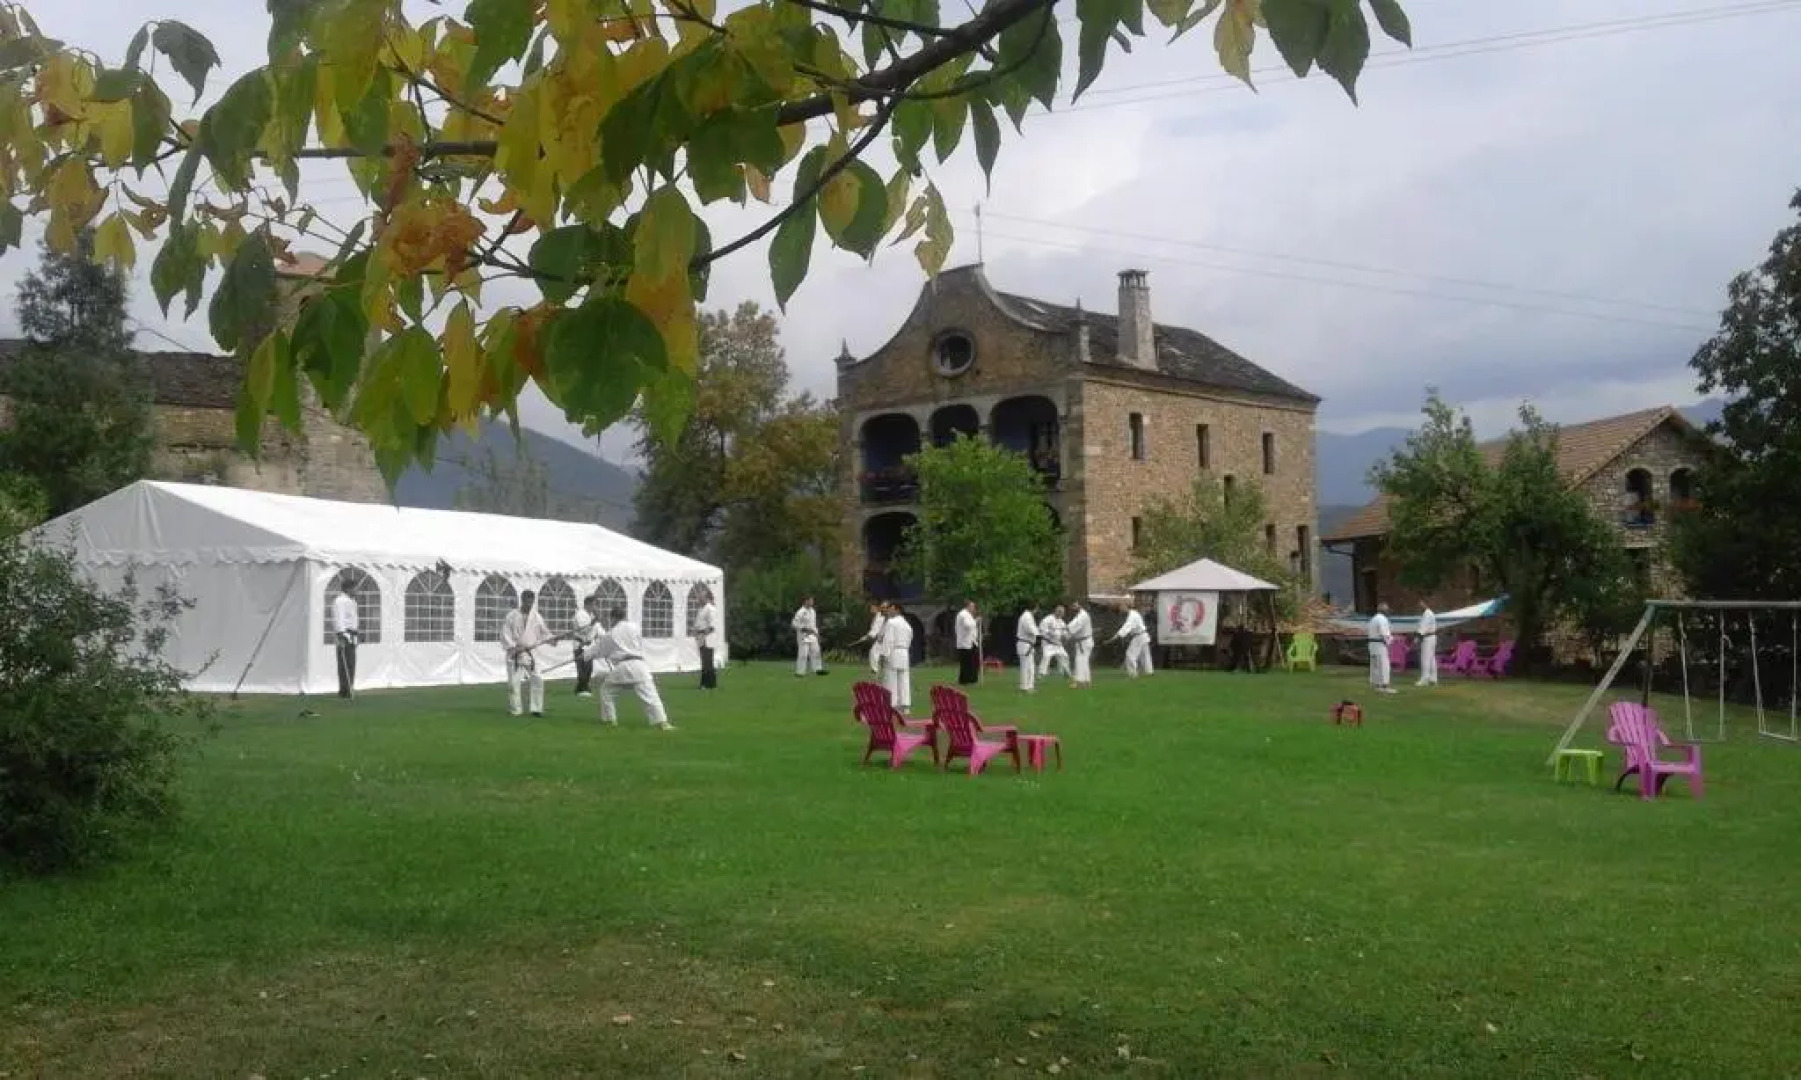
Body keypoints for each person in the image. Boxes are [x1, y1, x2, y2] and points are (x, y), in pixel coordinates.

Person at [599, 605, 674, 729]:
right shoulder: (635, 627)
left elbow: (600, 648)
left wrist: (585, 655)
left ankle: (610, 720)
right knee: (651, 696)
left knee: (606, 691)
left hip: (623, 666)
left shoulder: (612, 633)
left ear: (613, 618)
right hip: (640, 665)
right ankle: (663, 723)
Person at [502, 589, 552, 717]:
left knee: (538, 679)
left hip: (531, 653)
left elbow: (544, 632)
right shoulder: (511, 616)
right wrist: (513, 647)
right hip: (515, 653)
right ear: (522, 600)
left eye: (531, 601)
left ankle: (536, 709)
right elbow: (505, 634)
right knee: (514, 683)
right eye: (527, 601)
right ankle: (516, 709)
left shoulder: (536, 616)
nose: (529, 604)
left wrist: (552, 639)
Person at [880, 602, 914, 714]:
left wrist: (884, 654)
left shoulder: (891, 622)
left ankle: (892, 704)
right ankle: (905, 705)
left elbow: (888, 640)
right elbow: (909, 639)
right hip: (904, 652)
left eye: (891, 609)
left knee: (891, 678)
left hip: (894, 651)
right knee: (904, 678)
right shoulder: (907, 625)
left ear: (898, 610)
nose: (889, 611)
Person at [331, 585, 359, 699]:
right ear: (348, 588)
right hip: (344, 633)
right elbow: (339, 618)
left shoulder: (352, 601)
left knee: (351, 662)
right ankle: (345, 689)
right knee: (345, 662)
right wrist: (341, 634)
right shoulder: (340, 601)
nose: (356, 590)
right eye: (355, 588)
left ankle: (348, 687)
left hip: (352, 633)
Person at [1112, 602, 1154, 678]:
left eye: (1122, 607)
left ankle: (1132, 674)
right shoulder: (1133, 614)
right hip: (1142, 636)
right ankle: (1149, 672)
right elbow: (1128, 626)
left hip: (1139, 636)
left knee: (1130, 655)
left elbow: (1127, 626)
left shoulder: (1133, 615)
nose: (1120, 609)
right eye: (1120, 607)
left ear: (1126, 606)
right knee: (1145, 656)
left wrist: (1118, 635)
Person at [571, 593, 601, 698]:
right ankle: (583, 688)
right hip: (580, 644)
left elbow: (597, 630)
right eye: (594, 604)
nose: (595, 607)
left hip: (589, 645)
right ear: (588, 604)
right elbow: (583, 630)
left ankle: (581, 687)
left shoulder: (592, 616)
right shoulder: (580, 614)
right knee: (582, 667)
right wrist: (593, 623)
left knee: (589, 668)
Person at [791, 596, 826, 676]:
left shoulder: (813, 611)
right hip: (803, 635)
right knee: (803, 654)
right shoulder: (800, 612)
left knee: (816, 652)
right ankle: (800, 672)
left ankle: (818, 669)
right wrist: (803, 629)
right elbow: (794, 624)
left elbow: (813, 624)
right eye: (810, 601)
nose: (812, 602)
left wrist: (817, 634)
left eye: (812, 601)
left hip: (813, 635)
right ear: (805, 601)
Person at [692, 591, 719, 690]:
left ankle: (706, 683)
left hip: (707, 637)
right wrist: (695, 631)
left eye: (701, 597)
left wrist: (702, 633)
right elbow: (698, 623)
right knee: (705, 661)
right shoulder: (701, 609)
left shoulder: (710, 609)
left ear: (706, 598)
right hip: (701, 636)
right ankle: (710, 683)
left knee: (707, 661)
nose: (699, 599)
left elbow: (711, 626)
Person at [854, 602, 888, 678]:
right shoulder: (877, 616)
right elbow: (873, 629)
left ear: (876, 608)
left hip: (883, 638)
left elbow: (876, 630)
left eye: (872, 608)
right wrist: (866, 636)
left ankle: (876, 670)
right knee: (874, 653)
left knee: (875, 652)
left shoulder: (881, 617)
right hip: (879, 638)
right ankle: (876, 670)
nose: (871, 609)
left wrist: (868, 637)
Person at [1368, 602, 1395, 694]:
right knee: (1384, 665)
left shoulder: (1373, 619)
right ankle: (1384, 686)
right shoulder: (1382, 619)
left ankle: (1377, 685)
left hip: (1372, 645)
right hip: (1379, 645)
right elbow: (1385, 634)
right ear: (1384, 610)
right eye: (1387, 609)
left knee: (1375, 665)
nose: (1388, 611)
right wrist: (1391, 640)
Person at [1038, 604, 1072, 679]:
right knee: (1046, 657)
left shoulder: (1061, 621)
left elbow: (1064, 632)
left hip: (1058, 644)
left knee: (1065, 656)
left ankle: (1065, 673)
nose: (1062, 614)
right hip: (1048, 644)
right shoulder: (1048, 619)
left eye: (1063, 612)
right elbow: (1042, 630)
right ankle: (1041, 673)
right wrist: (1050, 633)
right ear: (1057, 611)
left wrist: (1066, 636)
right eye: (1061, 612)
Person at [1066, 602, 1094, 687]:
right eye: (1072, 606)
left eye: (1075, 606)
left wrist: (1066, 632)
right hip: (1084, 641)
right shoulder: (1080, 615)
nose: (1073, 607)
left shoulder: (1082, 615)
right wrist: (1066, 628)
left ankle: (1080, 681)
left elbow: (1075, 626)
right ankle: (1086, 680)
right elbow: (1072, 624)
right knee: (1084, 661)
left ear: (1080, 606)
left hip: (1084, 642)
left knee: (1080, 660)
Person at [954, 600, 980, 685]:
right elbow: (967, 625)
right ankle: (964, 680)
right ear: (968, 606)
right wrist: (976, 621)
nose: (973, 608)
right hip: (964, 642)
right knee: (966, 662)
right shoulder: (963, 614)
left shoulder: (968, 615)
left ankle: (971, 678)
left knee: (973, 661)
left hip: (971, 641)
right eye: (972, 606)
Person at [1016, 602, 1040, 693]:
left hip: (1027, 644)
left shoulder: (1027, 616)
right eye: (1037, 608)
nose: (1037, 611)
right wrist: (1039, 632)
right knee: (1026, 666)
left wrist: (1038, 632)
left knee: (1030, 666)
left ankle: (1029, 686)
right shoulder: (1026, 617)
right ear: (1035, 607)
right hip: (1025, 644)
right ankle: (1025, 687)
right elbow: (1030, 629)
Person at [1416, 605, 1438, 687]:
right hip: (1430, 637)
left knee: (1425, 658)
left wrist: (1418, 637)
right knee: (1431, 658)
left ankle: (1425, 679)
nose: (1419, 606)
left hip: (1428, 637)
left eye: (1421, 604)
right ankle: (1433, 679)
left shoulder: (1427, 614)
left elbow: (1423, 628)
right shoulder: (1428, 613)